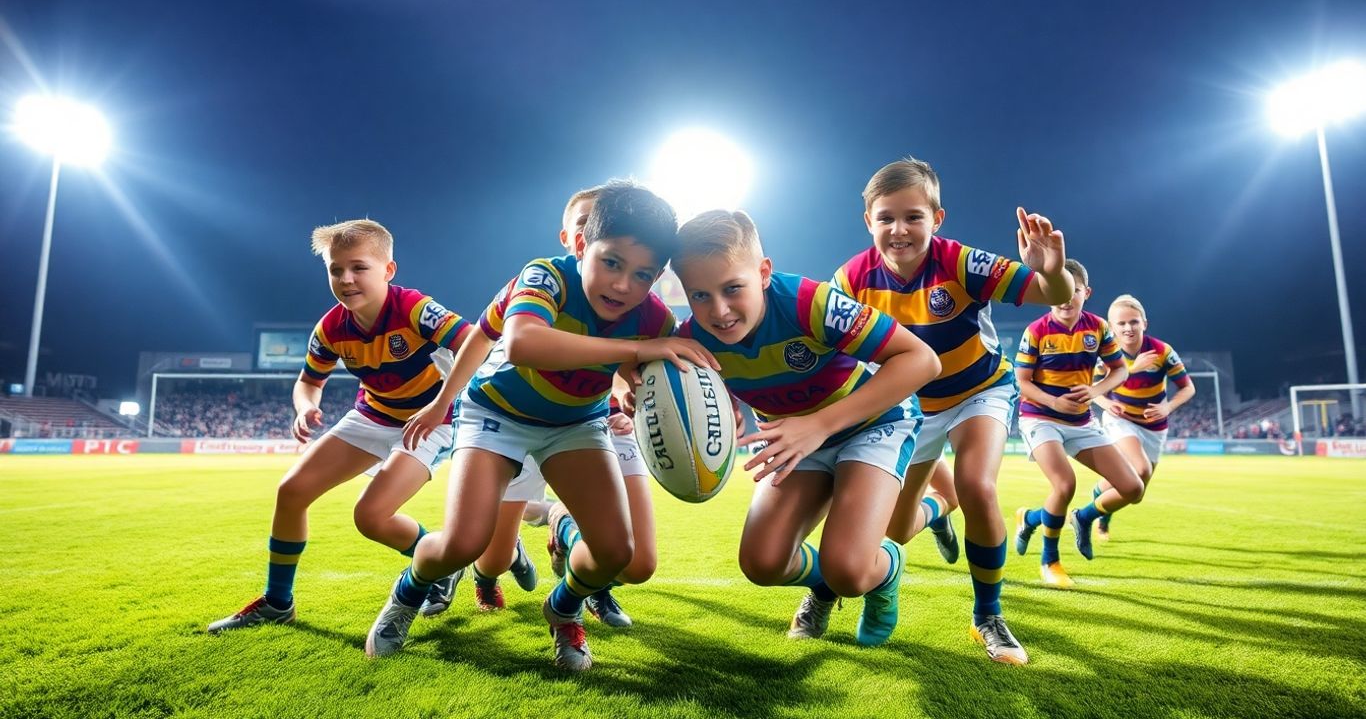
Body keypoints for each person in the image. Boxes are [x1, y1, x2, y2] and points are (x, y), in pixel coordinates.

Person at [366, 181, 716, 671]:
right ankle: (409, 591)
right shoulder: (544, 276)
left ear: (659, 277)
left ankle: (564, 607)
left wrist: (637, 388)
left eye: (643, 275)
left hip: (576, 423)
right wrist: (445, 400)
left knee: (616, 552)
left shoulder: (652, 316)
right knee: (464, 544)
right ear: (578, 245)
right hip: (497, 414)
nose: (623, 285)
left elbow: (655, 370)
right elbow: (520, 342)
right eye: (611, 262)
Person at [831, 157, 1074, 664]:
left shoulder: (962, 263)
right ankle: (937, 513)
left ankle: (988, 615)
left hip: (978, 392)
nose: (900, 229)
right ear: (869, 222)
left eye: (913, 216)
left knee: (978, 486)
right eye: (887, 217)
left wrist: (1052, 272)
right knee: (895, 531)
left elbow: (1049, 293)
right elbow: (834, 353)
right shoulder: (850, 278)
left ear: (936, 219)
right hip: (909, 407)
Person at [671, 209, 941, 648]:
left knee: (851, 571)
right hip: (797, 440)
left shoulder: (810, 303)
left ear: (763, 273)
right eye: (699, 295)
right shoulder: (692, 338)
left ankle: (883, 568)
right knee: (762, 563)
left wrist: (818, 425)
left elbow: (922, 360)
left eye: (732, 288)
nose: (718, 311)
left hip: (872, 424)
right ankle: (824, 583)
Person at [208, 219, 472, 633]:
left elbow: (474, 343)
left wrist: (442, 404)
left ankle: (439, 563)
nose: (346, 279)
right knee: (292, 491)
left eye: (358, 267)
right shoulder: (331, 327)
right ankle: (279, 603)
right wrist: (304, 408)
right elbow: (309, 382)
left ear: (388, 270)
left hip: (432, 420)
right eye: (336, 269)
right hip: (374, 414)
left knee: (371, 517)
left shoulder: (415, 308)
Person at [1013, 259, 1143, 588]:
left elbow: (1120, 370)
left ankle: (1072, 518)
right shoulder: (1037, 331)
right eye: (1060, 290)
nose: (1066, 297)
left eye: (1073, 290)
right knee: (1064, 483)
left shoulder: (1098, 328)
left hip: (1081, 422)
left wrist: (1096, 390)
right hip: (1040, 417)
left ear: (1086, 292)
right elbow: (1022, 382)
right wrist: (1054, 401)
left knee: (1132, 488)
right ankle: (1050, 562)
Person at [1090, 294, 1195, 540]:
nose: (1128, 328)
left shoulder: (1162, 351)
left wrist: (1167, 408)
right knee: (1139, 469)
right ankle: (1085, 517)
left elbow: (1188, 387)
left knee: (1135, 493)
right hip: (1121, 419)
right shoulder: (1105, 354)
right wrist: (1106, 403)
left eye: (1134, 322)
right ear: (1111, 327)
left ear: (1144, 323)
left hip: (1155, 426)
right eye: (1122, 323)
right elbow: (1092, 390)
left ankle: (1099, 506)